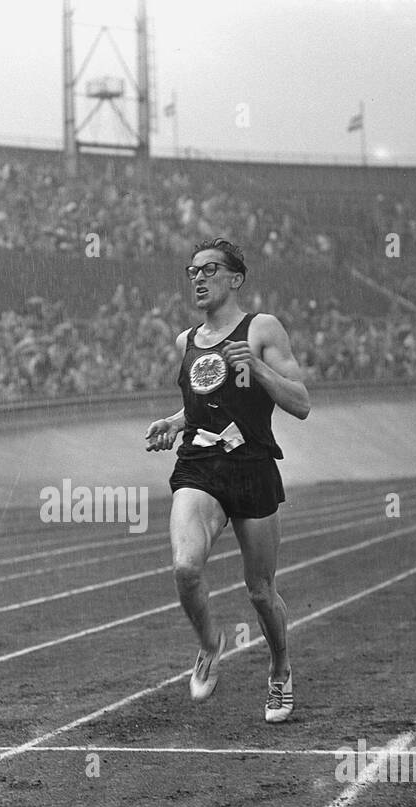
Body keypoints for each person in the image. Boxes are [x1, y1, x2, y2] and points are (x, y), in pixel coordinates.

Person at [146, 239, 310, 722]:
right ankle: (209, 644)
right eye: (192, 271)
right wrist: (175, 421)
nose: (198, 278)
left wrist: (255, 366)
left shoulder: (261, 328)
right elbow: (203, 404)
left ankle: (280, 669)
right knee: (185, 567)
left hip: (253, 465)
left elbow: (300, 402)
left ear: (235, 278)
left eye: (209, 270)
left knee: (260, 590)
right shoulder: (186, 341)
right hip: (199, 464)